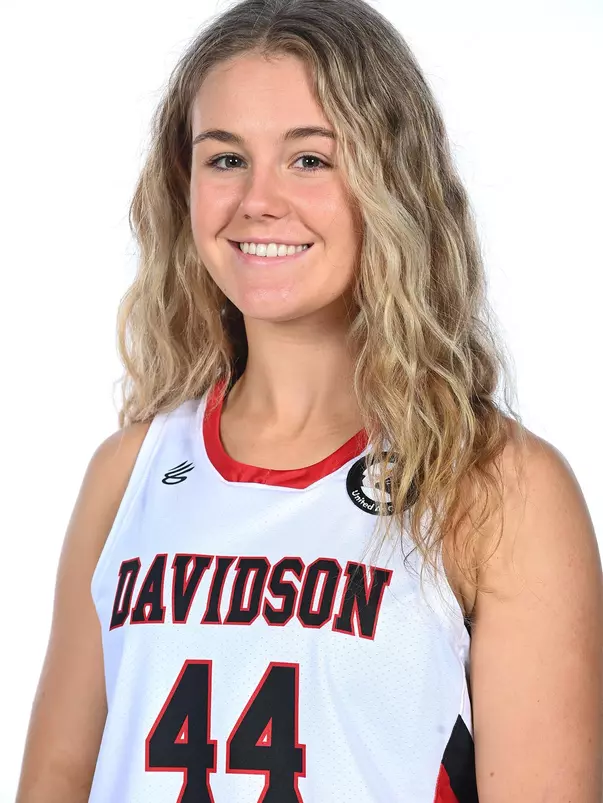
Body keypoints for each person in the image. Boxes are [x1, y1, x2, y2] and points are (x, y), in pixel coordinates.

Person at [16, 0, 603, 800]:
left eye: (309, 159)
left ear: (392, 182)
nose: (258, 199)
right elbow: (56, 778)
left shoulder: (496, 486)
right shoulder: (128, 472)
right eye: (226, 158)